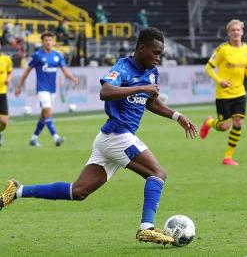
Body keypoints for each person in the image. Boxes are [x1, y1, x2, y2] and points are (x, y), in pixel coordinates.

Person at [0, 27, 197, 245]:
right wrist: (139, 87)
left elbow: (150, 100)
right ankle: (147, 228)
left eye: (161, 54)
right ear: (142, 48)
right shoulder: (123, 67)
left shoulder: (150, 72)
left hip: (109, 139)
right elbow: (105, 92)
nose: (159, 58)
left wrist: (176, 116)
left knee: (79, 191)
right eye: (155, 52)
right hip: (117, 135)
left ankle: (17, 191)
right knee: (157, 173)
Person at [199, 19, 247, 166]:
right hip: (223, 94)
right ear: (228, 33)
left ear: (242, 32)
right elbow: (208, 68)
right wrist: (219, 80)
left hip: (239, 93)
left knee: (238, 122)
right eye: (232, 30)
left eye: (238, 30)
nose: (235, 32)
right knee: (224, 127)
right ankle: (209, 122)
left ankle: (228, 157)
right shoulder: (222, 49)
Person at [15, 31, 79, 147]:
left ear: (53, 42)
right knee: (48, 112)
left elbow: (65, 71)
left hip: (52, 90)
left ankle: (34, 138)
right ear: (42, 42)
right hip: (42, 89)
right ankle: (56, 138)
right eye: (46, 40)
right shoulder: (37, 55)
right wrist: (19, 86)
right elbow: (26, 72)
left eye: (50, 40)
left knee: (44, 116)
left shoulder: (57, 56)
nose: (48, 42)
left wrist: (73, 78)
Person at [0, 43, 12, 146]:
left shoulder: (6, 59)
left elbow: (10, 72)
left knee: (4, 123)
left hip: (2, 92)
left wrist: (8, 79)